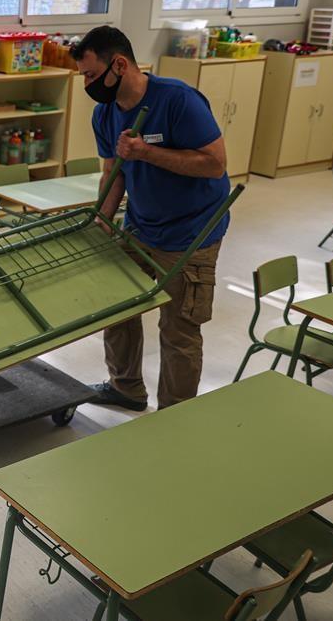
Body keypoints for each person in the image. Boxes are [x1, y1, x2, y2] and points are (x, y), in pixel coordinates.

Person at [70, 26, 230, 411]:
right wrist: (103, 221)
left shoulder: (178, 100)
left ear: (120, 65)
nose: (88, 85)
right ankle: (126, 387)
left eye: (91, 75)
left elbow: (215, 165)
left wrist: (147, 153)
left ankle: (175, 415)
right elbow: (114, 170)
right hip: (141, 225)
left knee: (178, 330)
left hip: (192, 231)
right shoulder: (104, 113)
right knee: (117, 305)